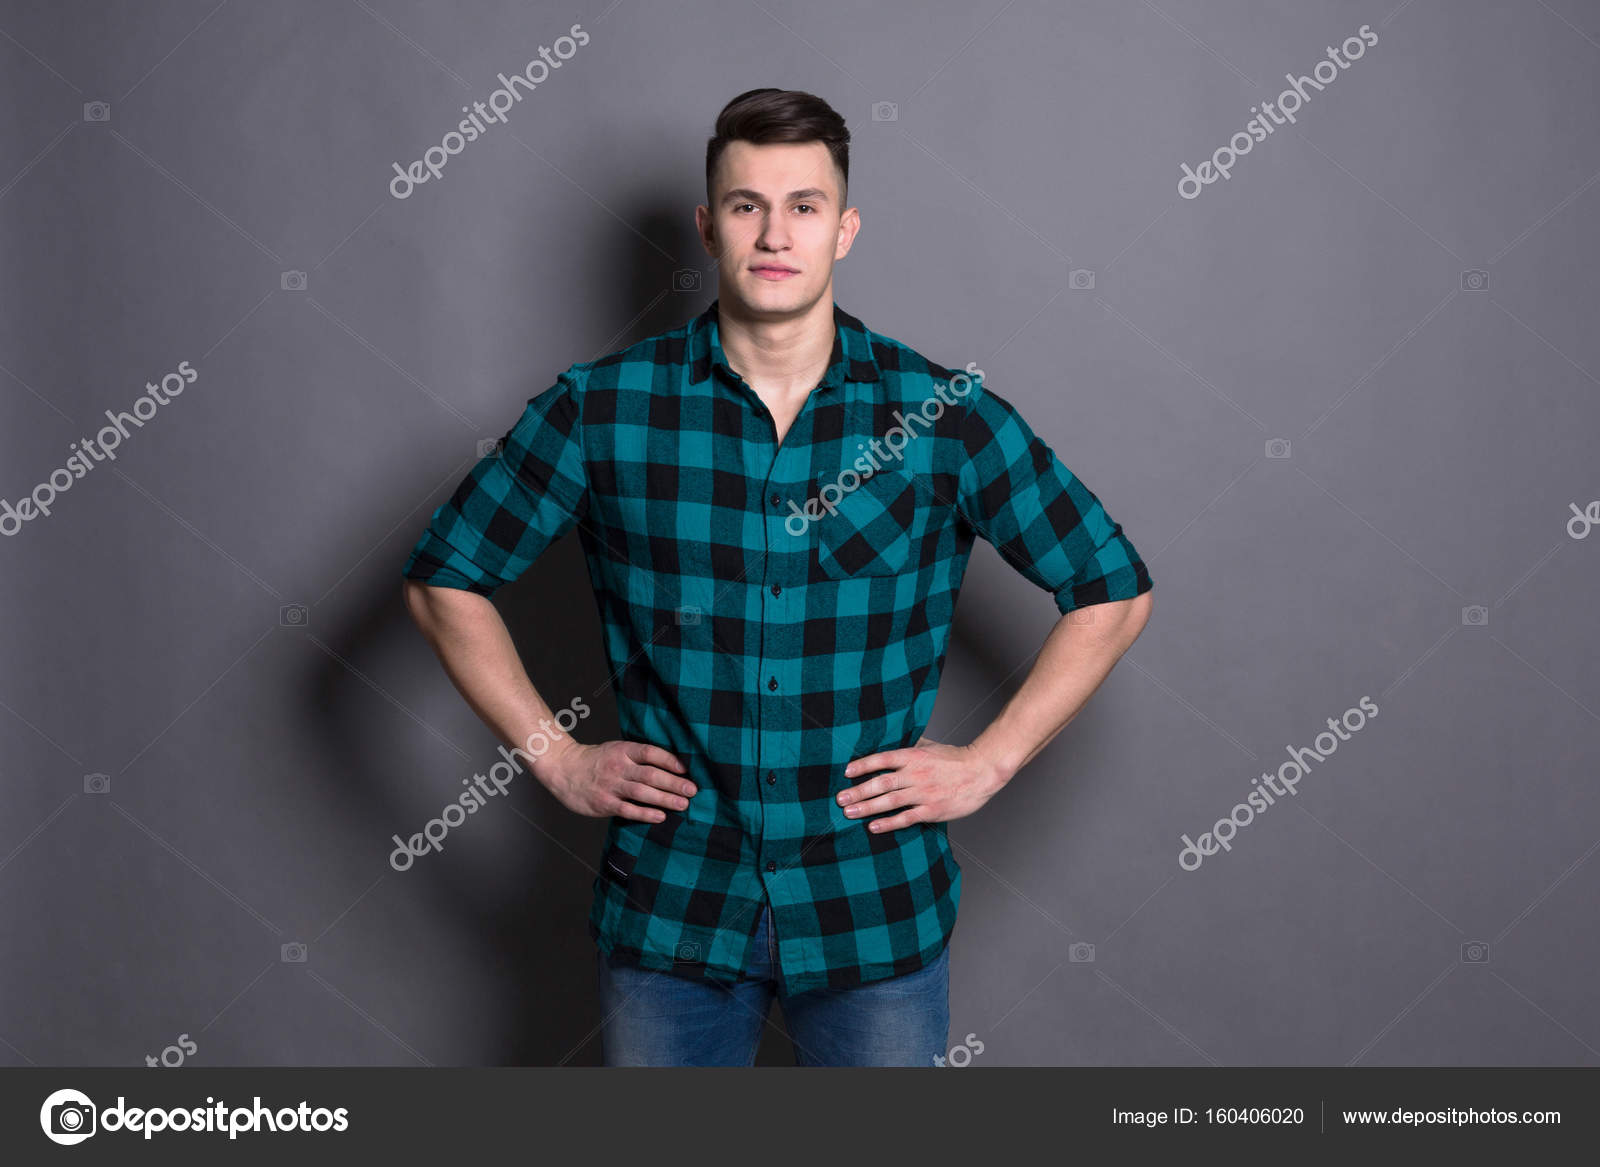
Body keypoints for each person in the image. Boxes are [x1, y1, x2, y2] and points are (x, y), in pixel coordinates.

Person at [400, 87, 1154, 1066]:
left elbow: (1111, 586)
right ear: (711, 227)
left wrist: (990, 760)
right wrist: (556, 757)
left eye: (803, 206)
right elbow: (443, 580)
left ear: (843, 231)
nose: (774, 232)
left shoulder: (939, 416)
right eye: (747, 205)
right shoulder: (602, 409)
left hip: (870, 913)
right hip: (673, 913)